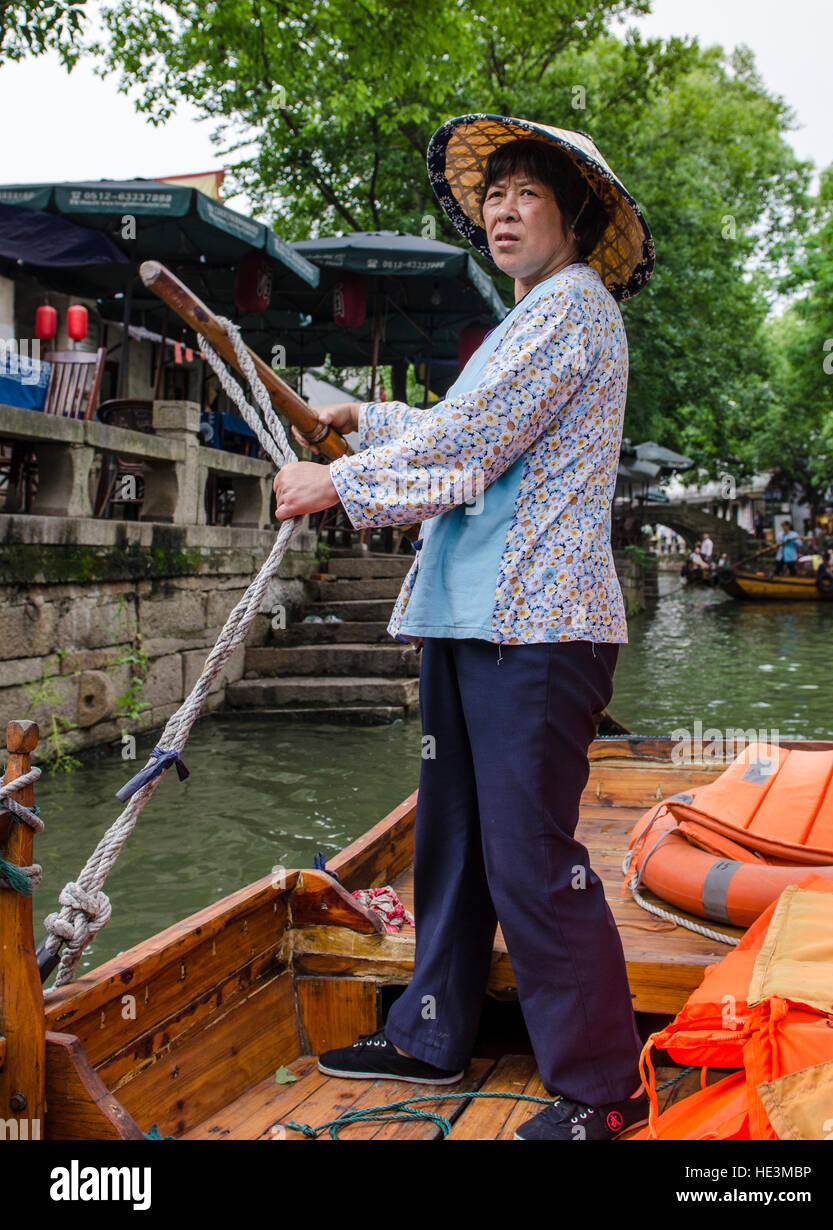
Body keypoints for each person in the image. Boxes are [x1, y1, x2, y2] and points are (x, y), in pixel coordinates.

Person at [272, 113, 655, 1141]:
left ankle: (603, 1089)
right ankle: (428, 1030)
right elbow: (453, 423)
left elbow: (472, 452)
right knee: (451, 841)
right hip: (471, 617)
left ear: (573, 216)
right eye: (494, 194)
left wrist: (335, 481)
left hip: (537, 628)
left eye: (528, 192)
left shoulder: (574, 311)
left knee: (531, 854)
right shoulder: (523, 325)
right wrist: (364, 416)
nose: (503, 207)